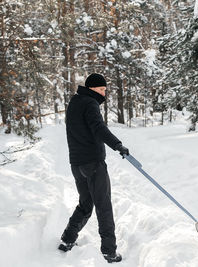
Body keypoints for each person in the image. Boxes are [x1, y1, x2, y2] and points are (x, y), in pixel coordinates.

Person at [58, 73, 129, 263]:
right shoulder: (90, 104)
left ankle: (67, 239)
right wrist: (117, 145)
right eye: (101, 90)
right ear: (92, 88)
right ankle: (109, 251)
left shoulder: (74, 102)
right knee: (103, 206)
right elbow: (98, 128)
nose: (104, 94)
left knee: (86, 204)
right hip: (93, 164)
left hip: (77, 164)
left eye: (105, 90)